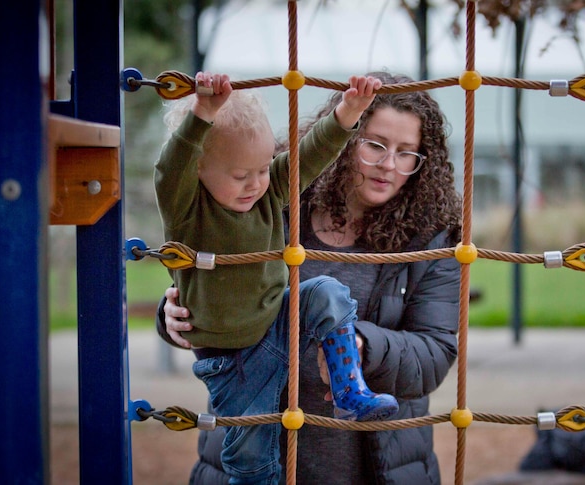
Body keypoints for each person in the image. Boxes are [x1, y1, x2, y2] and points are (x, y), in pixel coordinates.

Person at [157, 71, 463, 484]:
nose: (389, 164)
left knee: (324, 293)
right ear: (352, 142)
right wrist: (171, 312)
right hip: (253, 390)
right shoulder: (266, 203)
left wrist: (361, 345)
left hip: (371, 464)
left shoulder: (433, 238)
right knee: (249, 458)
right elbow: (197, 248)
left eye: (406, 152)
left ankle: (351, 390)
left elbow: (434, 354)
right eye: (375, 145)